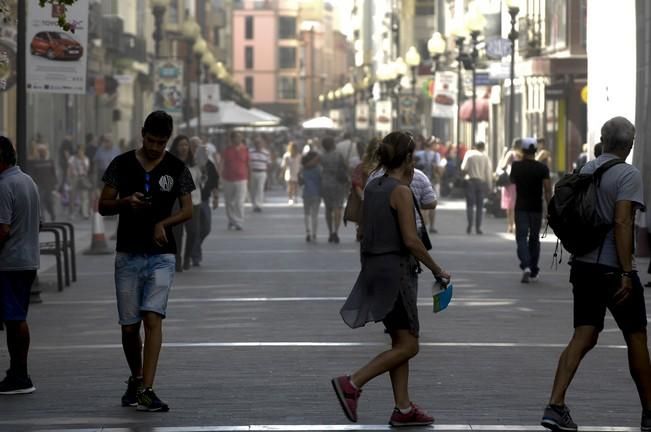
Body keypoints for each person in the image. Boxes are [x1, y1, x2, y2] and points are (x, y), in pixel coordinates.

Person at [541, 117, 651, 432]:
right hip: (613, 269)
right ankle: (649, 412)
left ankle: (555, 405)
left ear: (603, 140)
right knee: (637, 337)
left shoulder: (585, 170)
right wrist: (627, 272)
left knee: (584, 334)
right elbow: (622, 222)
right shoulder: (628, 174)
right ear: (629, 145)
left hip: (583, 266)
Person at [333, 131, 450, 426]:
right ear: (409, 159)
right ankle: (352, 383)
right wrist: (438, 269)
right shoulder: (400, 191)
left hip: (375, 268)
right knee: (411, 345)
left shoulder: (374, 185)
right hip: (397, 272)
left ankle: (404, 408)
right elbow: (411, 240)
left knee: (400, 341)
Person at [98, 111, 195, 412]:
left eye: (161, 142)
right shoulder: (121, 165)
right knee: (129, 327)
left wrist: (163, 224)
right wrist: (125, 202)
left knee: (153, 319)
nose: (155, 148)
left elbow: (188, 209)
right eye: (151, 141)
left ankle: (147, 389)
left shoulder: (177, 167)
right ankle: (136, 377)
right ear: (142, 134)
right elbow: (103, 205)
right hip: (128, 253)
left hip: (162, 256)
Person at [0, 137, 40, 395]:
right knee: (15, 317)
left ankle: (20, 375)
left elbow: (2, 229)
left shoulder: (4, 185)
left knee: (15, 319)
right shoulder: (27, 180)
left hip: (9, 262)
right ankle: (17, 373)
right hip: (26, 260)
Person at [509, 138, 551, 283]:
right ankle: (533, 269)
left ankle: (526, 265)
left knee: (521, 237)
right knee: (534, 238)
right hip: (536, 208)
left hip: (521, 207)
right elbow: (547, 190)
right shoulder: (542, 168)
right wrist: (550, 209)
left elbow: (512, 180)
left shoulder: (516, 166)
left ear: (522, 151)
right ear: (535, 151)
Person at [169, 135, 201, 271]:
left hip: (193, 201)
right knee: (177, 233)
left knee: (193, 232)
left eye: (186, 145)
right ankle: (177, 260)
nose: (184, 147)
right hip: (176, 202)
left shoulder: (195, 164)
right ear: (176, 147)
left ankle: (187, 256)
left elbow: (201, 181)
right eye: (181, 145)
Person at [191, 142, 219, 266]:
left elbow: (214, 181)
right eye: (194, 146)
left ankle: (194, 247)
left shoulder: (209, 165)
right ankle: (195, 255)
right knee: (195, 229)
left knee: (206, 228)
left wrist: (216, 197)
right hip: (191, 201)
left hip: (205, 200)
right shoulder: (188, 164)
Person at [320, 137, 348, 244]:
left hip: (326, 183)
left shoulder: (322, 156)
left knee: (328, 208)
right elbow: (345, 166)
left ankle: (330, 232)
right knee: (338, 207)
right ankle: (336, 232)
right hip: (338, 183)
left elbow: (320, 168)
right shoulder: (338, 155)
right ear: (332, 144)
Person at [460, 141, 492, 235]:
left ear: (475, 146)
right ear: (483, 147)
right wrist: (489, 185)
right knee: (480, 206)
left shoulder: (469, 155)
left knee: (470, 205)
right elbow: (488, 172)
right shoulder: (485, 157)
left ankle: (470, 225)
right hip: (481, 182)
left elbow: (463, 168)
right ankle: (478, 227)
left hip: (470, 182)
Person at [220, 131, 249, 231]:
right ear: (231, 139)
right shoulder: (227, 150)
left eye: (240, 137)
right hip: (228, 179)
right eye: (236, 137)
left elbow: (249, 164)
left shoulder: (245, 149)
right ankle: (232, 220)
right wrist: (219, 177)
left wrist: (250, 178)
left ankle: (239, 222)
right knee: (229, 202)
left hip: (242, 179)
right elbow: (222, 163)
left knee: (239, 202)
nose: (238, 139)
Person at [27, 144, 57, 222]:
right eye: (41, 151)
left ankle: (52, 214)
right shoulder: (34, 162)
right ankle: (42, 218)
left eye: (43, 151)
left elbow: (53, 173)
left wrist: (54, 184)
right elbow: (31, 174)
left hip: (48, 186)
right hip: (39, 185)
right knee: (40, 202)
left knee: (49, 202)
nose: (42, 153)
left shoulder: (50, 161)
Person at [498, 140, 522, 233]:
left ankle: (510, 225)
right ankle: (516, 225)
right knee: (518, 205)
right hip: (520, 182)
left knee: (510, 206)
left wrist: (503, 154)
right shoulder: (523, 155)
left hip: (510, 182)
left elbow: (502, 166)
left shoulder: (511, 153)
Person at [301, 151, 321, 242]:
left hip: (306, 193)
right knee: (315, 215)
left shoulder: (303, 169)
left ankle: (307, 232)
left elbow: (301, 182)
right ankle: (314, 233)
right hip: (316, 193)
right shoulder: (318, 169)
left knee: (306, 214)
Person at [67, 144, 91, 220]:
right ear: (77, 151)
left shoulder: (86, 159)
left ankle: (85, 213)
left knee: (84, 196)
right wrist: (68, 178)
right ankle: (71, 213)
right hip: (74, 178)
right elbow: (69, 168)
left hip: (83, 177)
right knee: (72, 197)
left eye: (82, 151)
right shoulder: (72, 158)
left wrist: (83, 160)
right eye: (79, 150)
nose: (80, 152)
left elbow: (87, 169)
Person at [249, 136, 271, 212]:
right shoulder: (250, 152)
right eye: (256, 143)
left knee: (260, 188)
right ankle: (254, 204)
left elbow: (268, 164)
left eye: (259, 143)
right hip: (252, 172)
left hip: (262, 172)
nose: (258, 144)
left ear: (262, 144)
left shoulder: (266, 153)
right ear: (254, 144)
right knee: (253, 189)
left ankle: (258, 205)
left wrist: (267, 174)